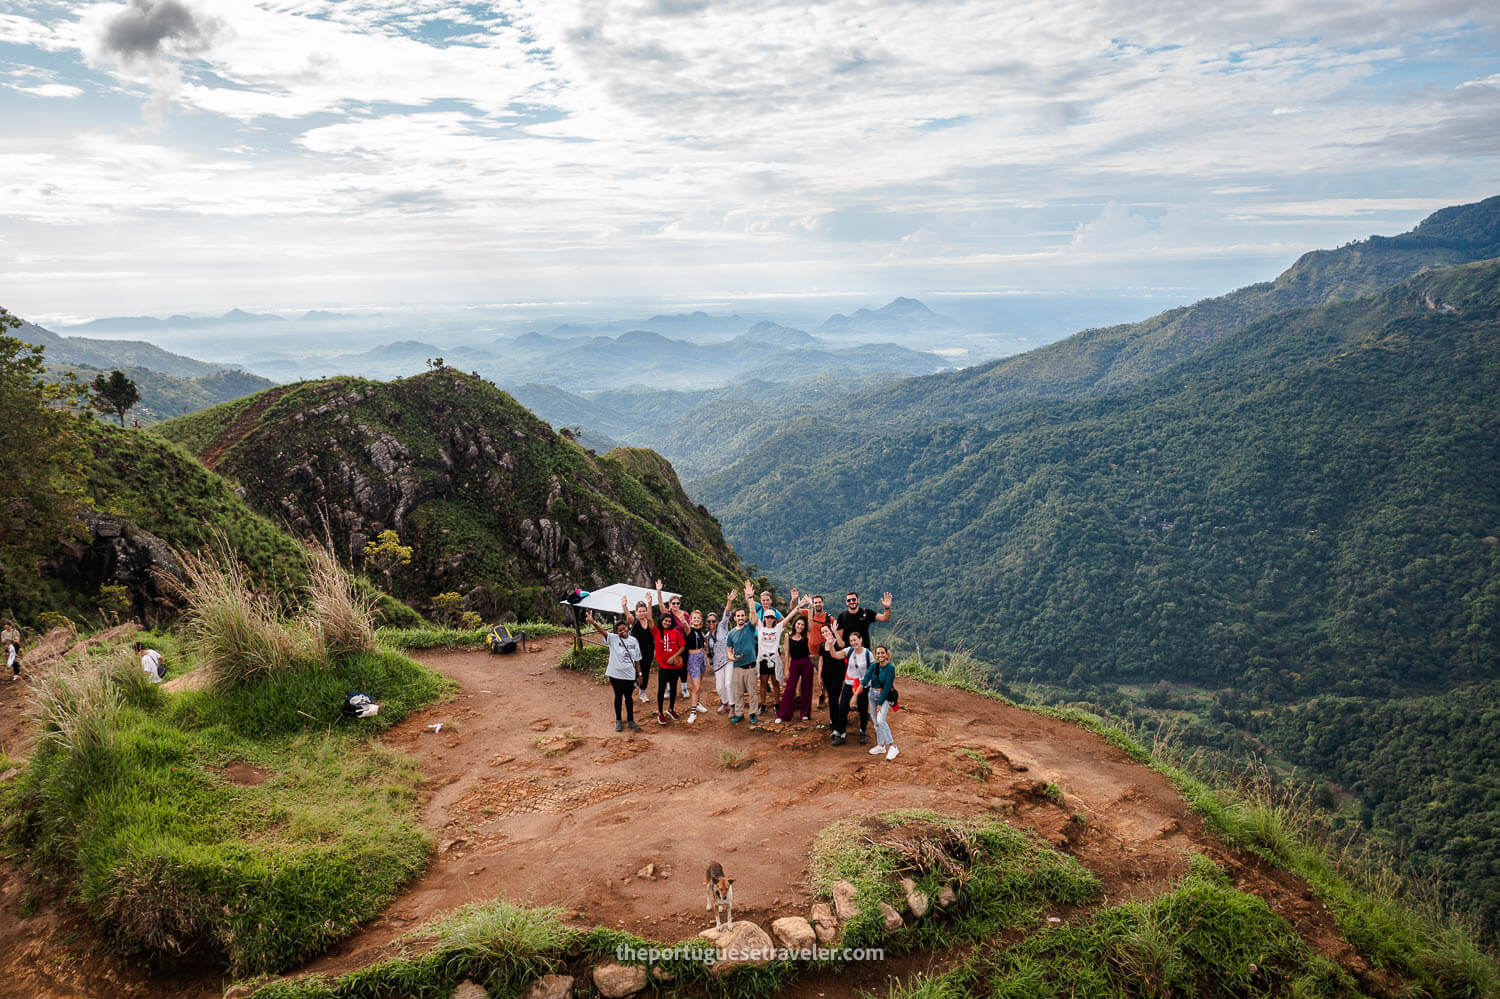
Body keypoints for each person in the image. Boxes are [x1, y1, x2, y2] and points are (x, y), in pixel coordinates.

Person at [588, 600, 642, 732]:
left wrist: (639, 674)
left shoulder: (634, 640)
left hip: (629, 674)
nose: (623, 631)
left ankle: (631, 721)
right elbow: (602, 632)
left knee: (629, 698)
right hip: (615, 674)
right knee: (618, 697)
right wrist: (593, 622)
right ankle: (618, 720)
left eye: (625, 628)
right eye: (620, 630)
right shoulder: (613, 639)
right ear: (616, 632)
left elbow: (637, 659)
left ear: (628, 628)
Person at [825, 628, 873, 746]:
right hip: (849, 684)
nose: (853, 643)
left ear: (861, 640)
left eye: (855, 640)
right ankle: (841, 734)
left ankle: (862, 732)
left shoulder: (868, 654)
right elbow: (835, 655)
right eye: (851, 641)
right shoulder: (849, 651)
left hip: (863, 685)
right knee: (842, 709)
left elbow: (872, 670)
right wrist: (831, 645)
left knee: (862, 709)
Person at [649, 590, 686, 725]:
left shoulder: (675, 632)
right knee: (661, 689)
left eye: (669, 621)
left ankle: (671, 709)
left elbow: (682, 646)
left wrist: (674, 656)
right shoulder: (657, 632)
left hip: (674, 666)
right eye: (665, 620)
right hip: (663, 667)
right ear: (662, 621)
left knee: (674, 688)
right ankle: (660, 712)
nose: (667, 622)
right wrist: (649, 603)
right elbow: (649, 620)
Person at [776, 608, 816, 722]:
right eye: (798, 624)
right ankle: (783, 715)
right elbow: (787, 653)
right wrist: (786, 669)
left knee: (806, 688)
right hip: (794, 663)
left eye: (802, 625)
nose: (800, 626)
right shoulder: (788, 635)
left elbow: (811, 624)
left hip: (806, 663)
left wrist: (810, 606)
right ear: (795, 625)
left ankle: (804, 714)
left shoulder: (806, 635)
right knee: (789, 688)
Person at [726, 603, 759, 723]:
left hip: (751, 667)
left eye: (742, 615)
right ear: (734, 618)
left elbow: (754, 617)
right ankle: (739, 714)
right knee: (738, 693)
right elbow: (729, 651)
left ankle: (753, 714)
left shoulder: (750, 627)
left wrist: (750, 599)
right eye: (738, 616)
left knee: (752, 692)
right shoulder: (731, 634)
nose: (740, 618)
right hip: (737, 667)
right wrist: (731, 657)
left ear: (745, 617)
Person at [865, 644, 899, 760]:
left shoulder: (890, 668)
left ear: (887, 654)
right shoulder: (874, 666)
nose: (880, 655)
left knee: (881, 720)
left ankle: (893, 746)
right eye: (878, 653)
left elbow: (887, 686)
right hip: (872, 694)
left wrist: (880, 703)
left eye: (882, 653)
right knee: (875, 722)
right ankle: (881, 745)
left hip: (884, 697)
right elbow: (866, 679)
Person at [709, 590, 736, 713]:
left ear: (717, 621)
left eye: (713, 621)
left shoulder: (722, 626)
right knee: (719, 687)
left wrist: (729, 601)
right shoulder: (707, 636)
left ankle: (733, 707)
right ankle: (724, 703)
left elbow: (727, 614)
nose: (711, 623)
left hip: (728, 659)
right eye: (709, 621)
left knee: (728, 683)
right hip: (717, 664)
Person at [629, 598, 656, 705]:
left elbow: (650, 617)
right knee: (633, 674)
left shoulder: (649, 622)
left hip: (648, 652)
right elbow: (628, 616)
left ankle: (643, 693)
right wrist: (625, 606)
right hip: (635, 654)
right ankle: (629, 693)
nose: (642, 613)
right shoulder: (634, 622)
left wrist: (649, 603)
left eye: (644, 611)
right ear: (636, 612)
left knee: (645, 673)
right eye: (640, 611)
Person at [683, 608, 710, 715]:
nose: (696, 619)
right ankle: (693, 712)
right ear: (691, 620)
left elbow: (704, 644)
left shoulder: (701, 632)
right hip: (693, 659)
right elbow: (685, 626)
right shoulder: (689, 629)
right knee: (696, 687)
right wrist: (684, 622)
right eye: (694, 618)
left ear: (701, 620)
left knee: (699, 685)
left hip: (702, 657)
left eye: (698, 618)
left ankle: (698, 704)